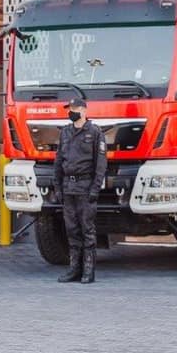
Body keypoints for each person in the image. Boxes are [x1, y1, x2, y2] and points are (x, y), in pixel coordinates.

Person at [54, 98, 107, 284]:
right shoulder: (65, 132)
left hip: (85, 187)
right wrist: (57, 186)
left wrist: (95, 189)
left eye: (75, 109)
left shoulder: (94, 132)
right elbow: (59, 161)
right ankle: (74, 269)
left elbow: (100, 165)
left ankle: (88, 271)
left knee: (87, 230)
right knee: (72, 230)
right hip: (68, 188)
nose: (71, 112)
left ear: (84, 110)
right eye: (70, 109)